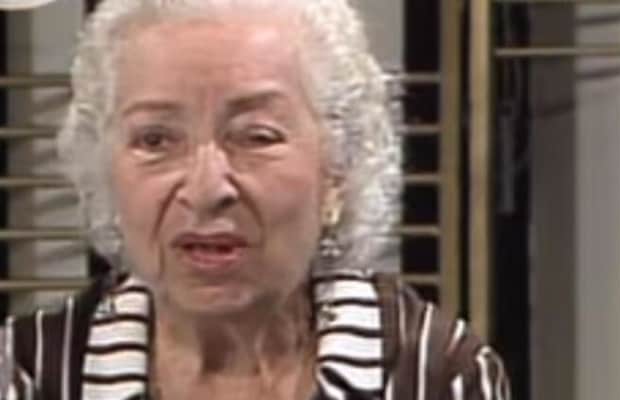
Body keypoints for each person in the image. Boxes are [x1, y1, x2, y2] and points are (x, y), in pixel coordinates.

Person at [1, 0, 509, 399]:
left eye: (256, 136)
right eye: (155, 140)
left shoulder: (434, 374)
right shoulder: (28, 373)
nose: (206, 190)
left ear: (337, 170)